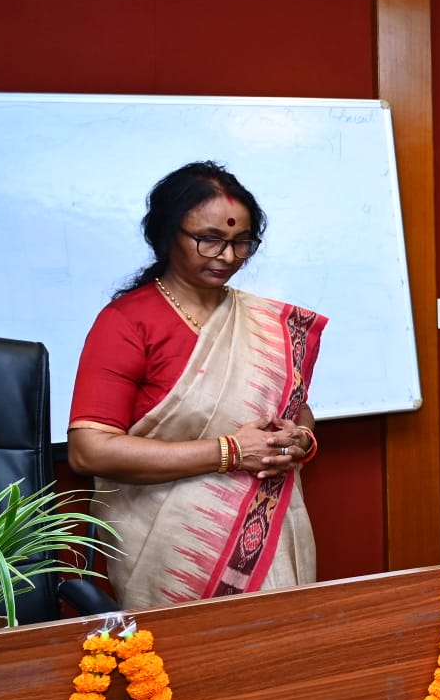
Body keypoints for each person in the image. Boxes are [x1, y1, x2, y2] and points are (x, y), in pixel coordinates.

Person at [67, 161, 326, 610]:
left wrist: (299, 438)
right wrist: (230, 452)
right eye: (209, 239)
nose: (227, 256)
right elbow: (90, 451)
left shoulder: (267, 323)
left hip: (266, 537)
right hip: (170, 547)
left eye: (241, 242)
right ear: (168, 233)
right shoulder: (127, 323)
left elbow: (297, 412)